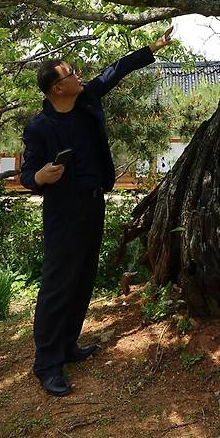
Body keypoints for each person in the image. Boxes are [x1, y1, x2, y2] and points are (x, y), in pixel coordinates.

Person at [20, 27, 174, 396]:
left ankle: (68, 344)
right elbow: (29, 173)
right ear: (57, 88)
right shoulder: (40, 127)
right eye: (70, 73)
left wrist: (149, 49)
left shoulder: (87, 100)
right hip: (62, 208)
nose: (78, 76)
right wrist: (39, 176)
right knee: (58, 282)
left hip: (93, 201)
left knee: (84, 274)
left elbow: (114, 71)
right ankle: (47, 363)